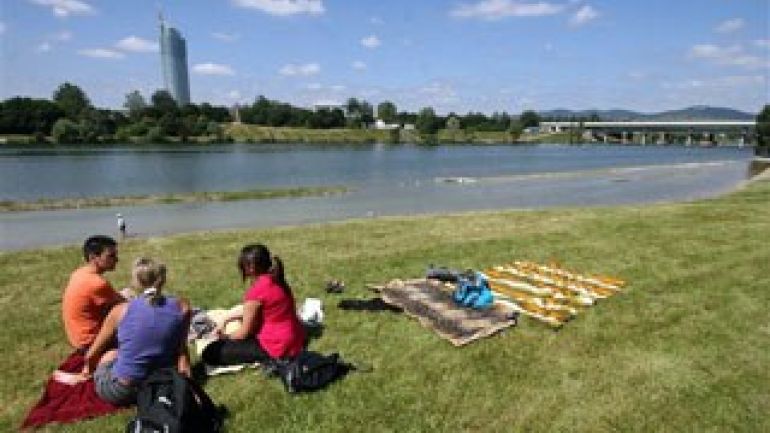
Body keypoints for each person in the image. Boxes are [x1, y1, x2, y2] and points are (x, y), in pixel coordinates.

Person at [69, 258, 191, 405]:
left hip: (123, 391)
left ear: (136, 282)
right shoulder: (182, 307)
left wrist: (87, 370)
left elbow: (92, 354)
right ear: (163, 279)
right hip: (161, 384)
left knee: (111, 354)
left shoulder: (120, 311)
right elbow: (182, 350)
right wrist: (186, 384)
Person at [201, 244, 306, 366]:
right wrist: (227, 318)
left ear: (251, 267)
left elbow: (244, 333)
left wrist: (224, 337)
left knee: (211, 352)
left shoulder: (257, 291)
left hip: (278, 346)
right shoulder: (277, 279)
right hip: (296, 336)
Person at [62, 235, 124, 352]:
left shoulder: (79, 273)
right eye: (111, 256)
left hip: (76, 339)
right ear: (93, 257)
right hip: (91, 342)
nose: (116, 259)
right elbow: (126, 307)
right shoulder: (97, 283)